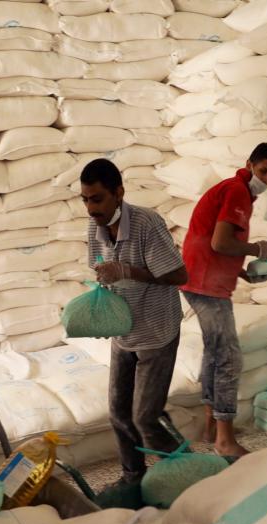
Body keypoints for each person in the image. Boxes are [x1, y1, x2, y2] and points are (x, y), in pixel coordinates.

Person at [81, 158, 189, 485]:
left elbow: (178, 275)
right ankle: (133, 478)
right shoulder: (95, 226)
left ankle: (186, 471)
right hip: (123, 330)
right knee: (118, 414)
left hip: (156, 330)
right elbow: (101, 270)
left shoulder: (146, 223)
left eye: (96, 199)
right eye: (85, 199)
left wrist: (128, 271)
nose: (90, 208)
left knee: (145, 417)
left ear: (119, 193)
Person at [180, 143, 267, 457]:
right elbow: (221, 241)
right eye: (263, 171)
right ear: (249, 163)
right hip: (204, 284)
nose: (266, 179)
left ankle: (213, 424)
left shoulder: (235, 190)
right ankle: (225, 440)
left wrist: (241, 273)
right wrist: (257, 250)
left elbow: (217, 245)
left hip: (199, 278)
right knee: (228, 357)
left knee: (215, 352)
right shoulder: (238, 191)